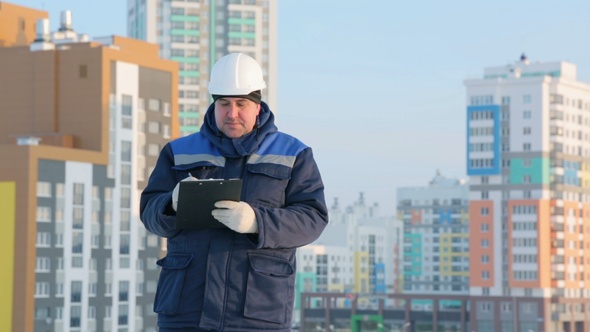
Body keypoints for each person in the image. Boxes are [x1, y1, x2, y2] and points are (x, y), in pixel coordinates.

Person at [140, 52, 328, 331]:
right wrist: (171, 204)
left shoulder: (293, 154)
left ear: (257, 105)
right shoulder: (179, 152)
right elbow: (149, 213)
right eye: (224, 103)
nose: (232, 113)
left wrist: (257, 222)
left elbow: (312, 218)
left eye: (241, 103)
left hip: (257, 314)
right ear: (214, 103)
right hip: (186, 312)